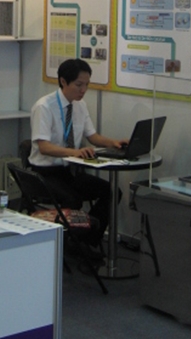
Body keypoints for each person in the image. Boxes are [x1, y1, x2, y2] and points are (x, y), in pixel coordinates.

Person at [29, 58, 127, 234]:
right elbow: (44, 147)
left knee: (112, 192)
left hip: (69, 172)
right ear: (63, 81)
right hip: (45, 174)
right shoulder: (44, 107)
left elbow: (93, 136)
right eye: (79, 85)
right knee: (73, 200)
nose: (83, 90)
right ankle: (68, 244)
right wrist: (74, 152)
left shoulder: (80, 105)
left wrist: (113, 142)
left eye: (87, 85)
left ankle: (89, 238)